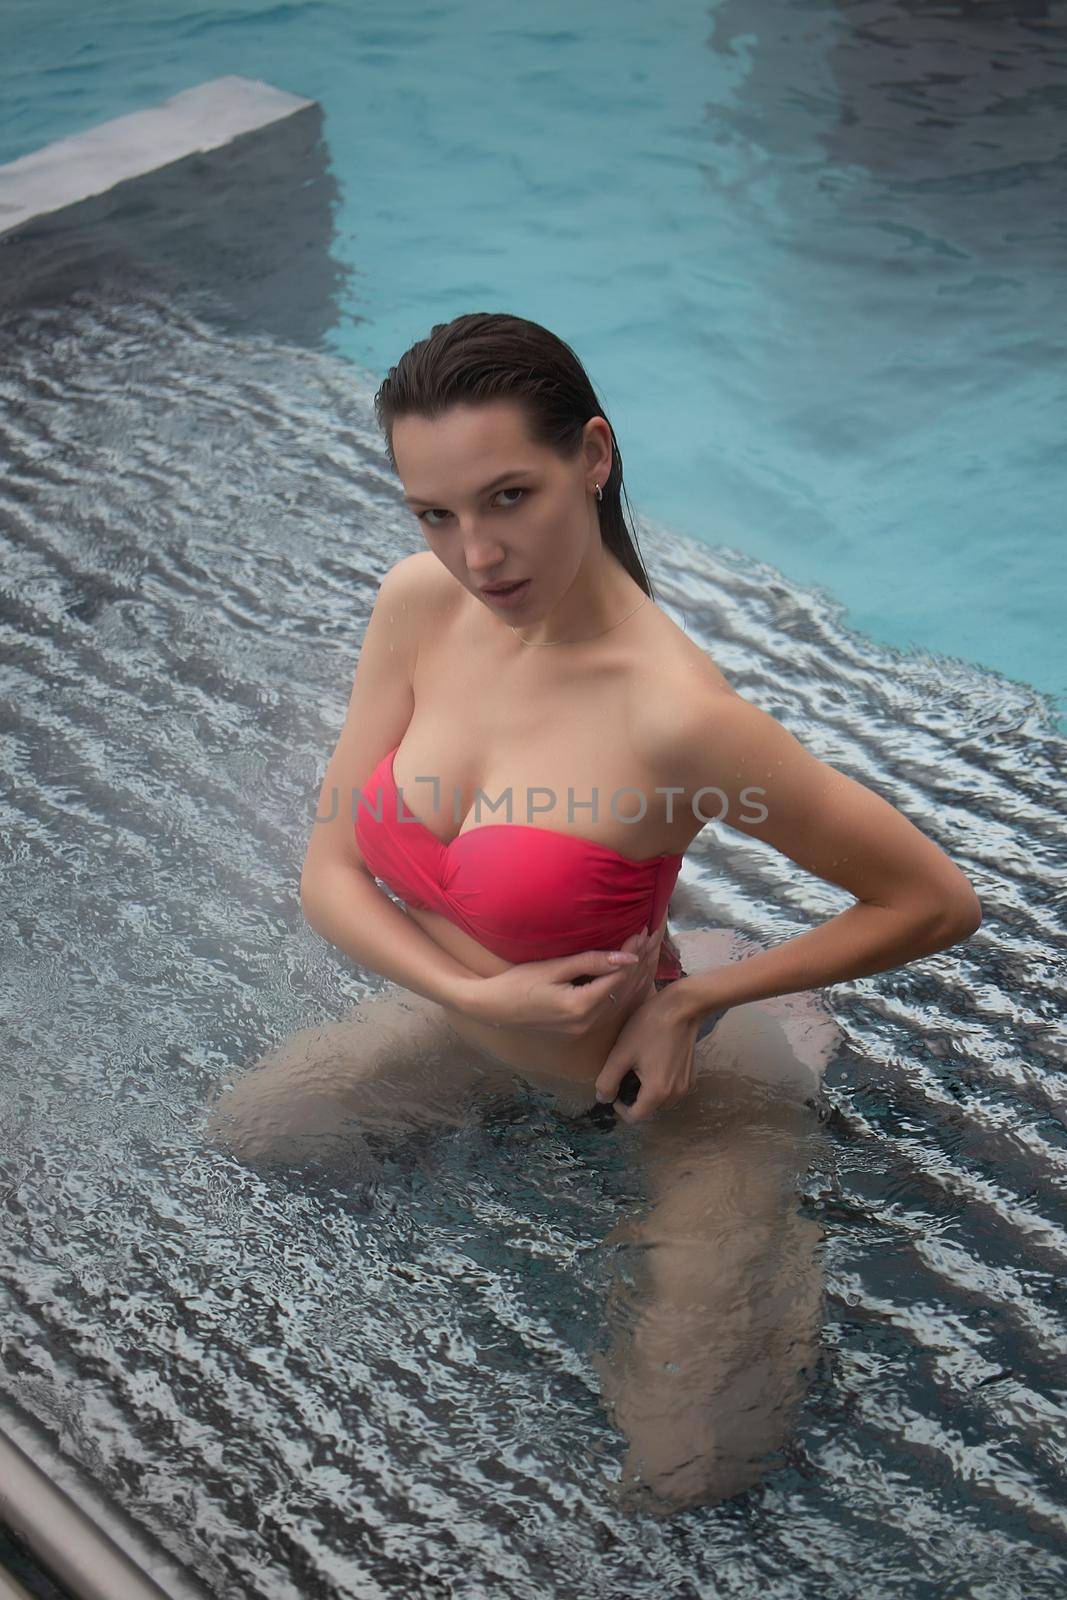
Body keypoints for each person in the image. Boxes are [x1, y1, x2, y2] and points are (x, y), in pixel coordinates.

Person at [206, 312, 982, 1511]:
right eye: (436, 511)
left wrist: (703, 1002)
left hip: (666, 1087)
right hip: (471, 1028)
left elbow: (935, 898)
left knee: (687, 1473)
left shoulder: (675, 716)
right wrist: (472, 994)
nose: (478, 552)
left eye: (509, 495)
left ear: (595, 458)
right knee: (253, 1137)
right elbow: (327, 873)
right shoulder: (417, 602)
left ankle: (772, 1171)